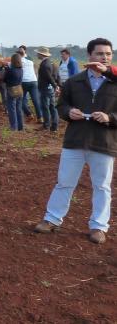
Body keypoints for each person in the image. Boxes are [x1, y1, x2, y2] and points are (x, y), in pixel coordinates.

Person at [34, 38, 117, 245]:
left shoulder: (115, 83)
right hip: (75, 140)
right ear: (89, 55)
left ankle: (98, 226)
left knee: (102, 186)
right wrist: (69, 112)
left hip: (104, 142)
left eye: (108, 54)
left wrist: (110, 118)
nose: (104, 57)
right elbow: (61, 106)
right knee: (64, 182)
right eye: (100, 54)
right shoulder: (74, 81)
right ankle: (52, 219)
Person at [35, 47, 60, 132]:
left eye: (38, 53)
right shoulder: (51, 63)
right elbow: (56, 76)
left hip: (45, 88)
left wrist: (55, 86)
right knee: (52, 106)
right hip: (50, 88)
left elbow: (49, 77)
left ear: (41, 54)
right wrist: (56, 86)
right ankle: (54, 126)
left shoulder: (44, 65)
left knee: (45, 107)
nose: (37, 54)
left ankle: (46, 125)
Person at [17, 45, 41, 120]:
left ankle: (29, 114)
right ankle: (40, 117)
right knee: (36, 100)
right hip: (33, 81)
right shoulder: (30, 59)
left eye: (20, 50)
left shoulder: (19, 59)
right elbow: (35, 68)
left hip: (24, 82)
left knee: (21, 100)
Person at [2, 53, 24, 131]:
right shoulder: (21, 69)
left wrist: (6, 70)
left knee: (11, 109)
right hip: (20, 90)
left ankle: (13, 127)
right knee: (19, 109)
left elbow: (4, 79)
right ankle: (20, 127)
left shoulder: (10, 70)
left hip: (11, 91)